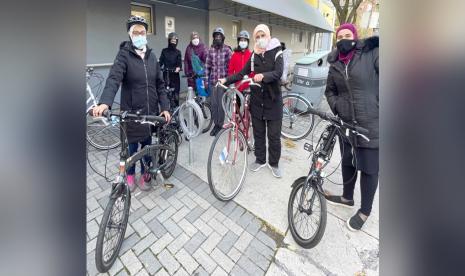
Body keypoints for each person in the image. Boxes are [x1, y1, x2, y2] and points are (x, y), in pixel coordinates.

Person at [92, 15, 171, 192]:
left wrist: (165, 107)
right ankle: (129, 175)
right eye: (135, 32)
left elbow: (160, 84)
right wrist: (105, 103)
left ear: (146, 34)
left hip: (151, 113)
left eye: (142, 32)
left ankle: (145, 174)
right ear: (130, 35)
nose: (139, 35)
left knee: (148, 147)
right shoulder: (124, 55)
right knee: (131, 148)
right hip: (132, 113)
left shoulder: (152, 57)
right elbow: (113, 79)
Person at [323, 23, 379, 231]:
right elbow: (330, 91)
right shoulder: (335, 62)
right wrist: (338, 106)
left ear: (355, 36)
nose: (344, 39)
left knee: (369, 169)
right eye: (340, 36)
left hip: (371, 124)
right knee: (348, 161)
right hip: (345, 123)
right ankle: (347, 197)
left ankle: (365, 211)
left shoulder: (371, 53)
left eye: (348, 35)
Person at [219, 24, 284, 178]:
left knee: (274, 136)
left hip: (273, 100)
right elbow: (242, 73)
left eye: (263, 36)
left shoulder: (276, 51)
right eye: (258, 37)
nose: (260, 39)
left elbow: (279, 73)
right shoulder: (254, 55)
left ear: (268, 36)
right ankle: (260, 160)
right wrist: (226, 79)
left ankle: (274, 163)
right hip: (257, 100)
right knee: (259, 133)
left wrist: (264, 76)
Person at [205, 27, 232, 136]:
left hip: (223, 83)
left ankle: (220, 125)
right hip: (213, 82)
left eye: (219, 36)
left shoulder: (227, 50)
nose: (217, 38)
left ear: (223, 37)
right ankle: (216, 124)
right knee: (214, 105)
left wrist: (229, 80)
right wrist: (206, 82)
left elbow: (231, 67)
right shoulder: (211, 50)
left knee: (221, 105)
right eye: (216, 36)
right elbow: (207, 66)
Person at [227, 30, 252, 108]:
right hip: (237, 87)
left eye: (245, 40)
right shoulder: (234, 55)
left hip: (248, 88)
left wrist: (251, 83)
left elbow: (253, 71)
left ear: (248, 42)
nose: (243, 42)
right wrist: (232, 83)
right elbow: (230, 71)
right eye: (241, 40)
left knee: (247, 109)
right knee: (237, 110)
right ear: (238, 42)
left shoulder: (251, 55)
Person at [159, 32, 182, 109]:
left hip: (175, 75)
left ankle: (176, 109)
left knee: (175, 93)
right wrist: (157, 68)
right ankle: (165, 108)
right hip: (166, 74)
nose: (173, 42)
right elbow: (161, 62)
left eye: (175, 41)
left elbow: (179, 63)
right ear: (169, 41)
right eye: (172, 40)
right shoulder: (164, 51)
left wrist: (178, 68)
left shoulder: (178, 52)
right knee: (165, 92)